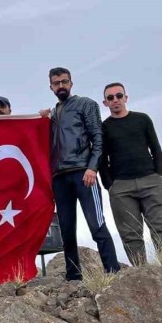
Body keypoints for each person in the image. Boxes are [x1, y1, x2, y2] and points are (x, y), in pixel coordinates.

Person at [45, 67, 121, 279]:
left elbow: (98, 137)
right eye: (56, 83)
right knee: (67, 231)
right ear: (51, 86)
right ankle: (73, 276)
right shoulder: (53, 114)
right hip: (59, 177)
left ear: (71, 83)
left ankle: (112, 272)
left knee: (96, 225)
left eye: (64, 81)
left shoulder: (86, 104)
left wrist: (92, 167)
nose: (61, 86)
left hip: (83, 173)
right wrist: (44, 118)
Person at [100, 82, 162, 265]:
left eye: (119, 95)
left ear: (126, 97)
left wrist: (159, 176)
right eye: (110, 97)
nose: (115, 100)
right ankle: (141, 276)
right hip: (121, 188)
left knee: (159, 228)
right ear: (105, 103)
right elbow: (101, 158)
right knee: (130, 234)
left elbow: (155, 148)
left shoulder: (142, 119)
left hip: (151, 181)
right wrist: (110, 185)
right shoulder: (103, 128)